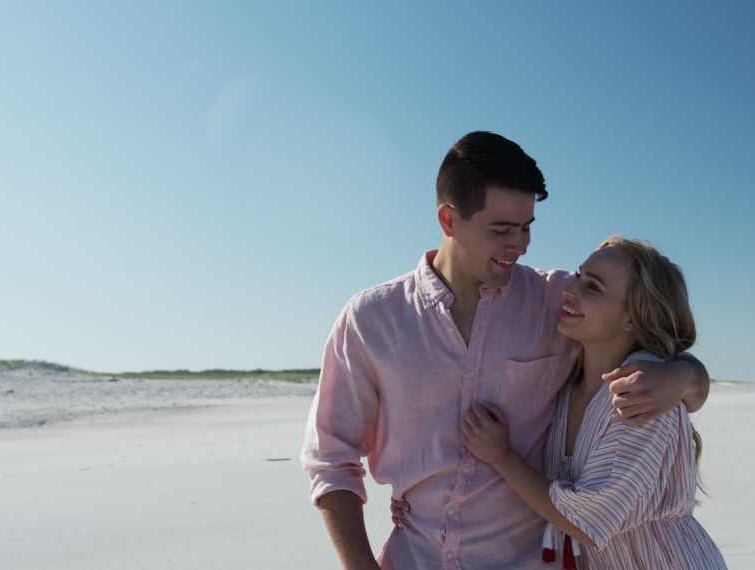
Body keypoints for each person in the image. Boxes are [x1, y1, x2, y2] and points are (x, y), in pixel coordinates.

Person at [300, 131, 711, 570]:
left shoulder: (557, 302)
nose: (520, 244)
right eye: (501, 229)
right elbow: (332, 459)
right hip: (414, 558)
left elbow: (644, 332)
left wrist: (685, 375)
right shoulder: (371, 320)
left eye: (527, 227)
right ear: (448, 220)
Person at [459, 236, 727, 569]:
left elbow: (585, 522)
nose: (570, 290)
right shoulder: (568, 381)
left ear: (632, 318)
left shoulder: (643, 397)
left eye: (593, 287)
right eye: (578, 275)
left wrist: (500, 456)